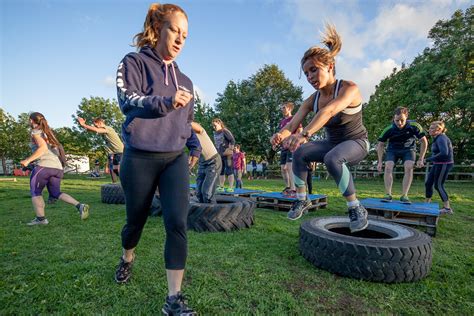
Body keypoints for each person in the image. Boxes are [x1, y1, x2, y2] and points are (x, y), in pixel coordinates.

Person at [114, 3, 196, 315]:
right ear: (157, 28)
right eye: (175, 30)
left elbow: (186, 122)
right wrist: (164, 102)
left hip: (173, 159)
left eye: (185, 35)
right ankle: (127, 257)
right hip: (140, 158)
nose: (179, 39)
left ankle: (173, 299)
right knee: (135, 222)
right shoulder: (133, 62)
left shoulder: (186, 82)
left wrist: (194, 148)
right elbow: (127, 100)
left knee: (177, 222)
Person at [270, 24, 369, 232]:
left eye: (314, 70)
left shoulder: (349, 88)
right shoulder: (311, 100)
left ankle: (355, 207)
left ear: (330, 66)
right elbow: (293, 122)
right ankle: (302, 199)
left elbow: (329, 111)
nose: (310, 77)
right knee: (299, 152)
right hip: (332, 143)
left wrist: (305, 135)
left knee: (332, 158)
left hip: (357, 143)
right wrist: (281, 135)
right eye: (306, 74)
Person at [20, 112, 89, 225]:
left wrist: (28, 160)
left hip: (44, 166)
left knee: (35, 192)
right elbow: (60, 146)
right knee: (55, 192)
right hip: (57, 168)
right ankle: (80, 206)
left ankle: (41, 219)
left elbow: (42, 148)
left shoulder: (36, 132)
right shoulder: (48, 132)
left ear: (31, 121)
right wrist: (63, 162)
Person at [376, 107, 428, 204]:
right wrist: (379, 161)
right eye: (397, 120)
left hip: (408, 149)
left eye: (402, 120)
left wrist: (421, 158)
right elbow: (380, 145)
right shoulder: (389, 129)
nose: (399, 123)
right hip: (393, 149)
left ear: (407, 117)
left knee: (409, 167)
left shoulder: (414, 126)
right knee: (388, 167)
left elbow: (424, 141)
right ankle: (388, 194)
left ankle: (404, 195)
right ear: (393, 118)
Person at [77, 117, 124, 183]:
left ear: (100, 123)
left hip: (120, 151)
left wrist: (84, 125)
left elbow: (96, 130)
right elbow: (91, 130)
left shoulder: (108, 129)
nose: (95, 126)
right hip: (113, 152)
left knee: (119, 169)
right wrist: (83, 125)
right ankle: (115, 184)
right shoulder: (102, 130)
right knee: (114, 169)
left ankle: (128, 181)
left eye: (96, 125)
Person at [425, 121, 454, 214]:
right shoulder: (437, 138)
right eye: (430, 128)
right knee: (428, 183)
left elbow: (444, 153)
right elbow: (436, 153)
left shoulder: (441, 138)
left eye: (432, 128)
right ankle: (427, 204)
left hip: (444, 164)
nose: (429, 130)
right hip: (438, 164)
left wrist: (427, 160)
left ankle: (447, 208)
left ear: (439, 129)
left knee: (438, 185)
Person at [191, 122, 221, 203]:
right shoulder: (187, 138)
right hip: (202, 164)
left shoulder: (200, 131)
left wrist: (182, 118)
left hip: (213, 162)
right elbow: (193, 154)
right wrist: (189, 166)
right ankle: (202, 215)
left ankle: (214, 215)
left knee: (207, 193)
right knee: (198, 193)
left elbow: (198, 127)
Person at [277, 102, 302, 195]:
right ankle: (288, 187)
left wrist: (293, 139)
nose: (282, 109)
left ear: (289, 109)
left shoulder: (294, 119)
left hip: (292, 146)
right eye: (281, 108)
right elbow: (281, 135)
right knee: (283, 168)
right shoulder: (282, 121)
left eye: (284, 107)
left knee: (289, 167)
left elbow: (300, 131)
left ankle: (293, 189)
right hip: (284, 147)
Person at [212, 118, 235, 192]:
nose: (214, 127)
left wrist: (231, 150)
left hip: (228, 155)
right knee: (221, 171)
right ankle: (221, 186)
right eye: (213, 125)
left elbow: (232, 140)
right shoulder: (215, 133)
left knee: (229, 170)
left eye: (215, 125)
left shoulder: (225, 131)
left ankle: (231, 187)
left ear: (219, 123)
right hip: (219, 155)